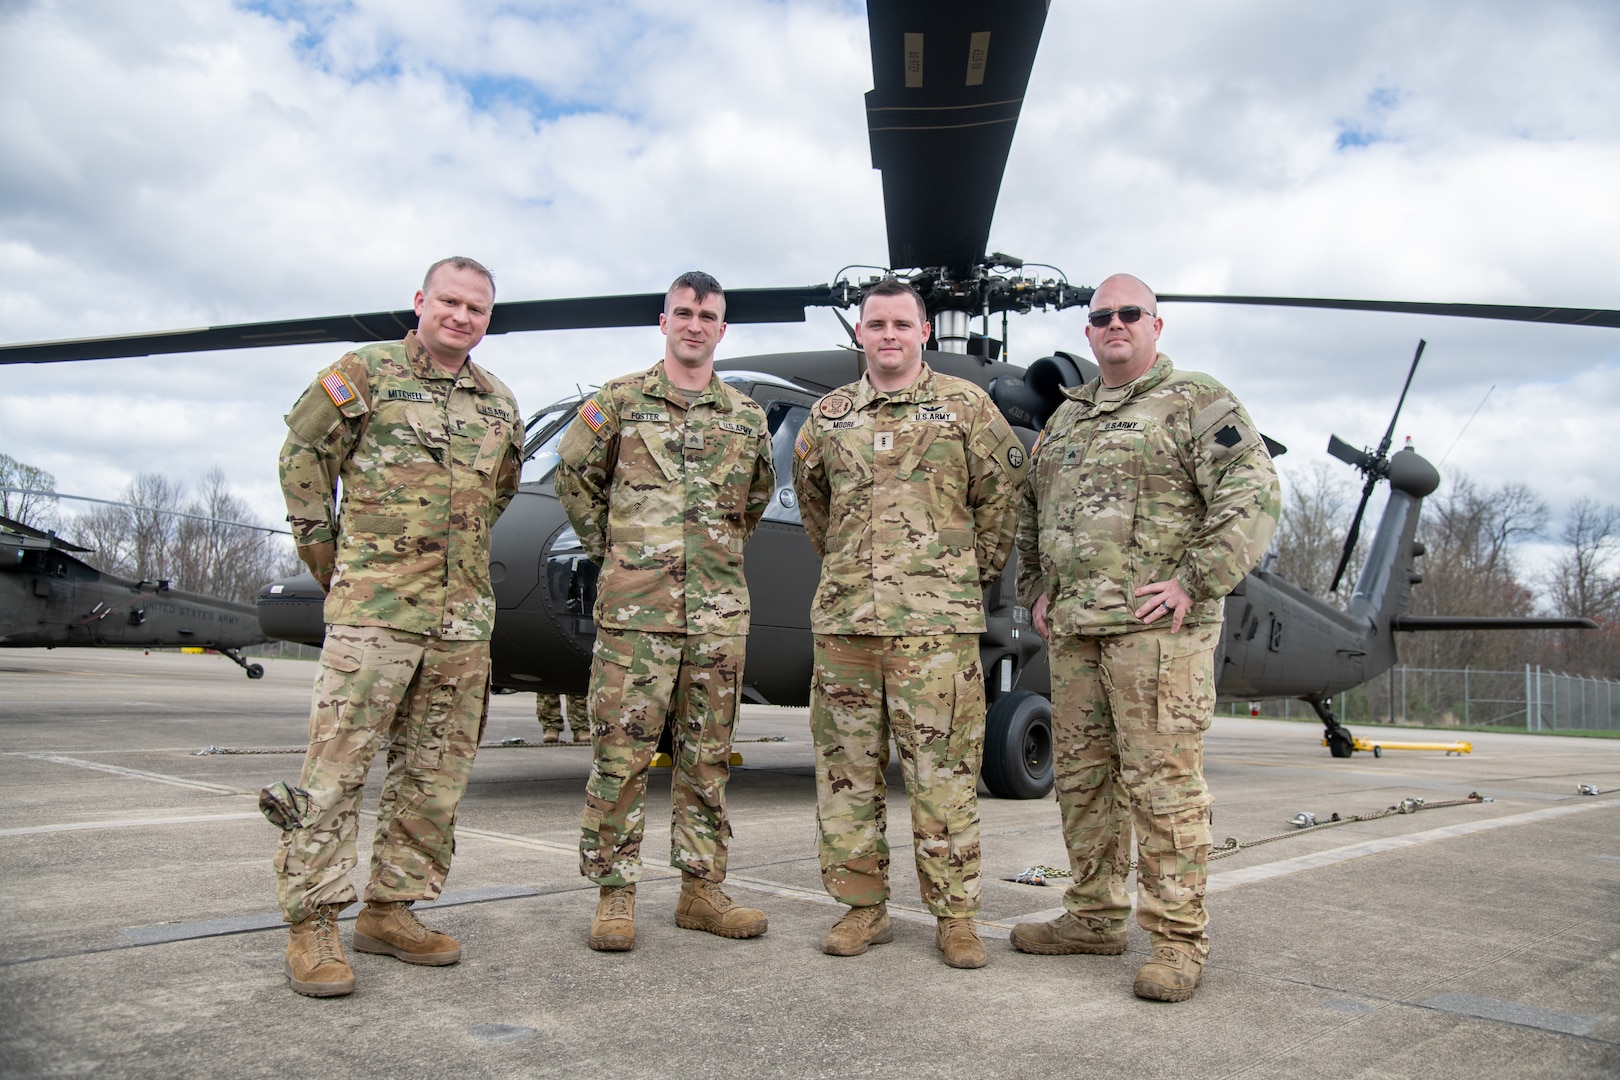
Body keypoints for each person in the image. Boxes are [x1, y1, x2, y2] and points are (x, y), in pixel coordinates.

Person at [1011, 273, 1279, 1001]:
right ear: (1089, 333)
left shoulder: (1196, 400)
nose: (1115, 324)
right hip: (1076, 638)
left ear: (1157, 326)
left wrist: (1195, 580)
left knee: (1162, 791)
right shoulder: (1066, 422)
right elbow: (1029, 515)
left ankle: (1178, 942)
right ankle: (1094, 916)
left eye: (1131, 313)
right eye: (1102, 317)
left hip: (1158, 639)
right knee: (1083, 785)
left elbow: (1253, 494)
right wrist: (1034, 590)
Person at [269, 256, 523, 997]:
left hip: (461, 620)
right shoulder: (366, 373)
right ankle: (312, 920)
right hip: (374, 613)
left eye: (476, 308)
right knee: (337, 770)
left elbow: (496, 493)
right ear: (420, 301)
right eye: (449, 301)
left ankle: (391, 909)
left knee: (434, 775)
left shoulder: (497, 402)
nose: (462, 316)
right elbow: (304, 455)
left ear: (487, 318)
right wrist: (328, 554)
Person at [792, 278, 1028, 969]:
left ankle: (955, 916)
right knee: (846, 775)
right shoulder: (828, 417)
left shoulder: (967, 409)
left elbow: (1001, 502)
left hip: (936, 634)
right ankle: (862, 908)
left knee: (944, 774)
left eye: (901, 323)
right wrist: (851, 571)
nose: (888, 335)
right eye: (876, 323)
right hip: (846, 629)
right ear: (859, 334)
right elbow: (817, 512)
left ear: (923, 332)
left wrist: (958, 579)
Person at [554, 271, 776, 952]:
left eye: (707, 314)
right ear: (664, 321)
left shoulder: (745, 416)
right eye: (683, 311)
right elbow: (573, 474)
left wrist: (711, 555)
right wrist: (616, 551)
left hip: (716, 618)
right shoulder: (619, 401)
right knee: (620, 756)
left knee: (707, 758)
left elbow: (755, 499)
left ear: (721, 329)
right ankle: (615, 895)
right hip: (635, 618)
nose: (694, 323)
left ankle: (700, 892)